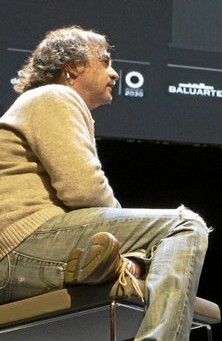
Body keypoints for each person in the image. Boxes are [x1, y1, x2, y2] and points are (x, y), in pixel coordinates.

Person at [0, 26, 209, 341]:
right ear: (73, 67)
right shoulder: (54, 96)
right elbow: (83, 191)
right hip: (22, 248)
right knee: (185, 225)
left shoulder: (40, 102)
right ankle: (132, 271)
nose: (114, 74)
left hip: (21, 253)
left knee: (158, 246)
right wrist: (130, 233)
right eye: (105, 62)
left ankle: (121, 264)